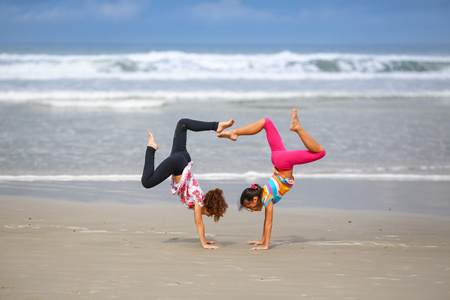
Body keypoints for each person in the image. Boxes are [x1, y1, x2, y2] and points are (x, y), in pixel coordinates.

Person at [218, 109, 325, 250]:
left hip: (283, 162)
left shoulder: (266, 197)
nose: (251, 210)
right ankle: (235, 132)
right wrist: (262, 240)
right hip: (277, 156)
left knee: (320, 152)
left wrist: (266, 246)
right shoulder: (264, 194)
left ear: (255, 200)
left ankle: (297, 128)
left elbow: (269, 223)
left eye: (249, 207)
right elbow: (266, 221)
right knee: (266, 122)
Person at [141, 118, 234, 249]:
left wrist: (206, 240)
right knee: (147, 182)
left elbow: (200, 222)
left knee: (182, 124)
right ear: (208, 206)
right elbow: (199, 223)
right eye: (210, 213)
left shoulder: (199, 196)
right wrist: (204, 244)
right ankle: (151, 148)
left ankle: (216, 126)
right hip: (178, 164)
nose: (208, 215)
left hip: (183, 157)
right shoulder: (199, 199)